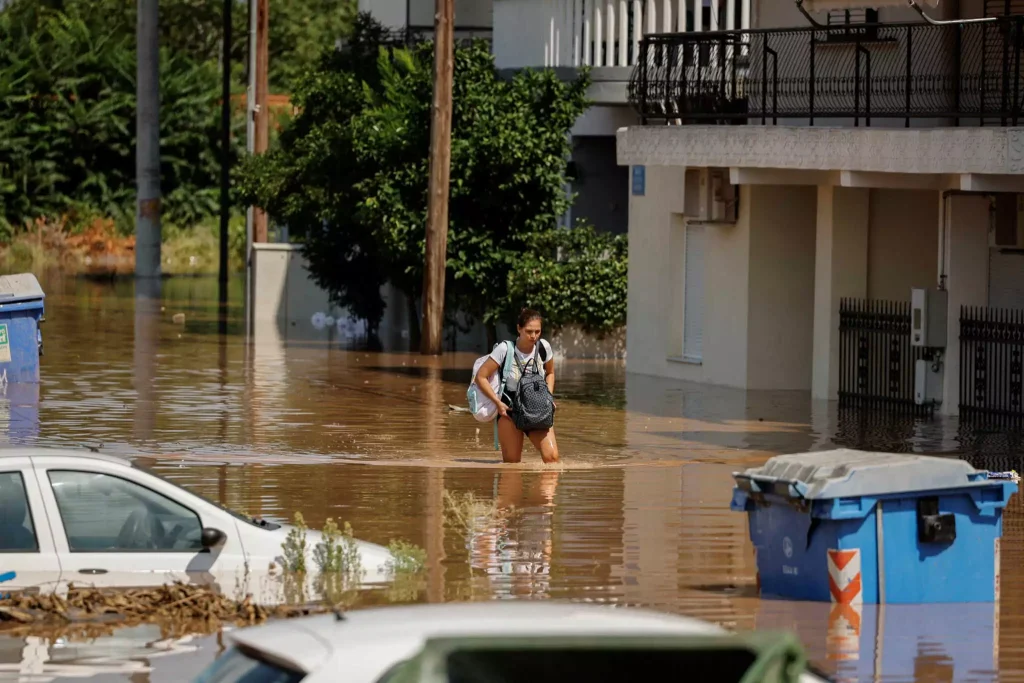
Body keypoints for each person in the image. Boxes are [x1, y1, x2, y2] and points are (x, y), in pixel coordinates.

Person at [474, 309, 560, 464]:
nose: (533, 336)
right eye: (529, 331)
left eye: (537, 331)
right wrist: (498, 403)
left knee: (552, 458)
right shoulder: (505, 349)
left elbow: (550, 373)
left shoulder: (544, 347)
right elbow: (481, 377)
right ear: (519, 329)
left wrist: (548, 396)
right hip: (509, 410)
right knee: (512, 466)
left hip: (537, 407)